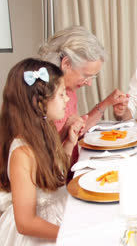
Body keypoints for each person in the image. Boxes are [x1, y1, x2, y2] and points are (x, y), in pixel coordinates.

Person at [0, 58, 84, 244]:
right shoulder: (22, 153)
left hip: (57, 213)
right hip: (39, 230)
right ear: (40, 103)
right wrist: (72, 233)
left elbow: (55, 179)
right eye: (62, 94)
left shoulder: (45, 129)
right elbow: (26, 223)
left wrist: (69, 143)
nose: (67, 99)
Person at [38, 25, 129, 136]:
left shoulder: (69, 91)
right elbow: (51, 148)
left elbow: (77, 130)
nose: (89, 83)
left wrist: (107, 102)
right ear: (66, 64)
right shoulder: (43, 96)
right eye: (86, 76)